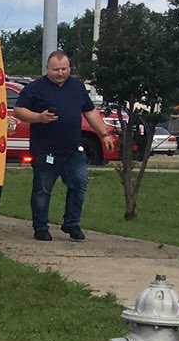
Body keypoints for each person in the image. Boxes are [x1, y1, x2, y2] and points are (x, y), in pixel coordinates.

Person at [12, 49, 112, 242]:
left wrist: (104, 134)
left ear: (69, 68)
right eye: (56, 69)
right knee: (42, 190)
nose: (60, 73)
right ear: (47, 69)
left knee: (80, 184)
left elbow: (90, 112)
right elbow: (18, 111)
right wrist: (39, 117)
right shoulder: (35, 88)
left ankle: (71, 223)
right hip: (45, 150)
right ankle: (41, 227)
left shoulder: (77, 87)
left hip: (73, 150)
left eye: (64, 69)